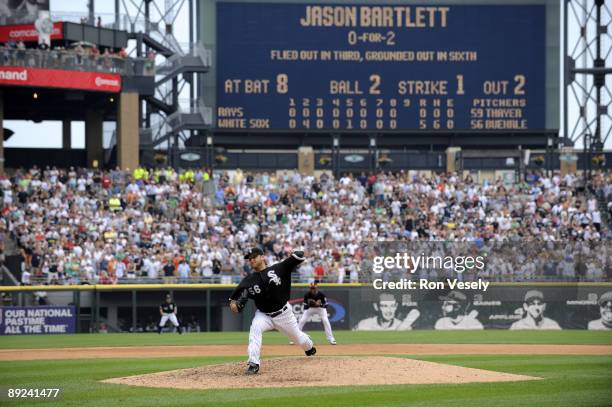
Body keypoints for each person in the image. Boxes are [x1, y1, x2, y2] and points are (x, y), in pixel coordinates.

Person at [229, 247, 316, 375]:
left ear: (262, 257)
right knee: (255, 329)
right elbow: (233, 301)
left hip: (284, 314)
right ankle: (253, 363)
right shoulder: (247, 281)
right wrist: (235, 306)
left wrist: (295, 253)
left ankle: (309, 348)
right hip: (263, 315)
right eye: (249, 259)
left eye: (254, 257)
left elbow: (300, 256)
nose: (251, 260)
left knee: (300, 339)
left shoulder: (279, 268)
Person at [353, 292, 419, 330]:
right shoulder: (364, 325)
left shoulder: (404, 327)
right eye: (384, 306)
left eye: (392, 306)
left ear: (396, 306)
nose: (389, 310)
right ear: (376, 307)